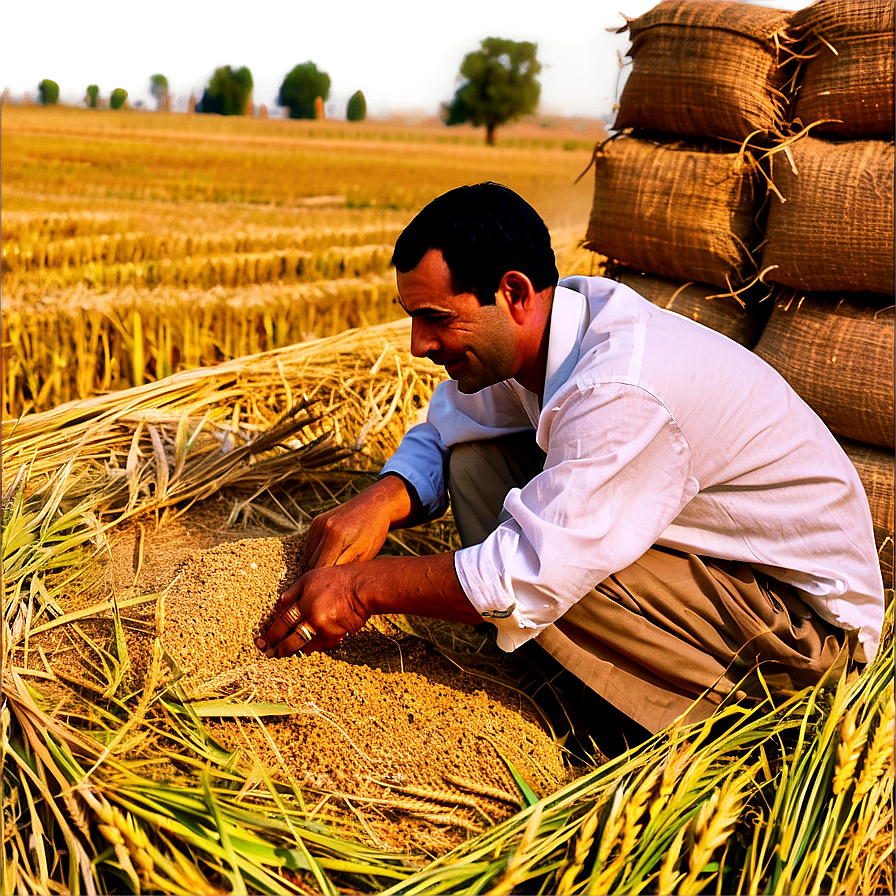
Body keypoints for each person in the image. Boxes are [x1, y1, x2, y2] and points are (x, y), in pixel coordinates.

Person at [256, 182, 884, 734]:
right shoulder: (551, 329)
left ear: (514, 293)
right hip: (722, 580)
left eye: (436, 319)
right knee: (474, 463)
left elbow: (533, 570)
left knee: (554, 564)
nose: (419, 344)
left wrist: (363, 590)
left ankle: (658, 728)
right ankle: (562, 673)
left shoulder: (621, 386)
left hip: (803, 639)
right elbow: (450, 426)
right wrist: (381, 500)